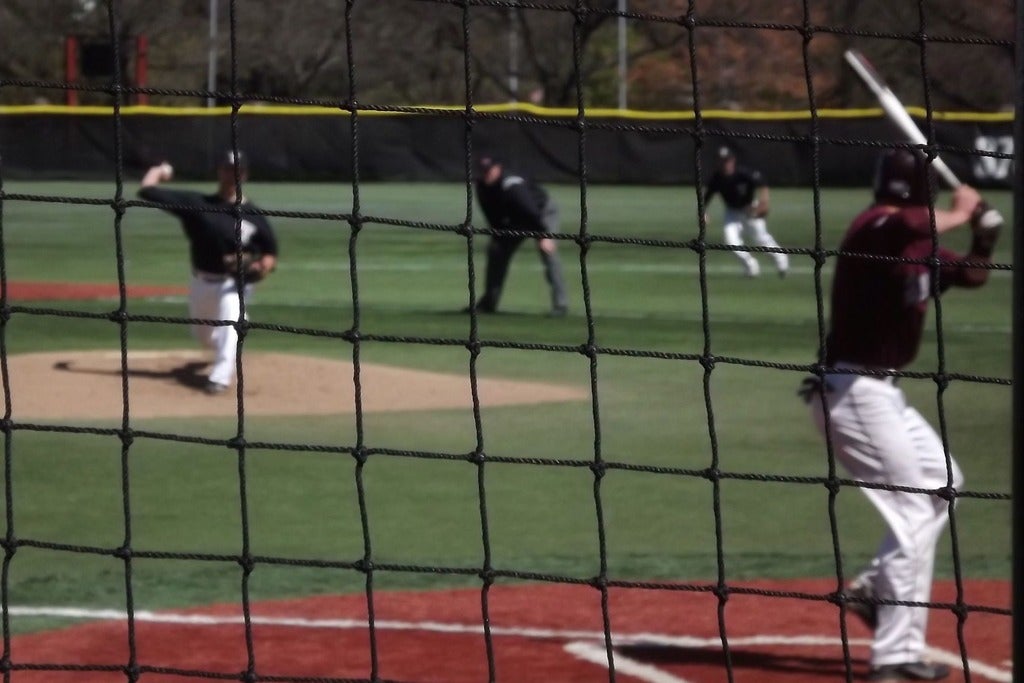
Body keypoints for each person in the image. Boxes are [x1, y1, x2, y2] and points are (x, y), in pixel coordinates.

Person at [802, 148, 1002, 681]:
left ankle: (873, 590)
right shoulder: (875, 229)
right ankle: (893, 657)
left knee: (944, 483)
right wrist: (963, 211)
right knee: (914, 512)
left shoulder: (917, 247)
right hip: (852, 393)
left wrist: (985, 235)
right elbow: (897, 223)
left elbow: (974, 276)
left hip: (880, 396)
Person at [138, 150, 279, 395]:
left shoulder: (255, 216)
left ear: (244, 174)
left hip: (235, 284)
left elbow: (270, 253)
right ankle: (233, 334)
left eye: (236, 170)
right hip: (201, 281)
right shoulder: (197, 205)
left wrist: (261, 267)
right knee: (204, 336)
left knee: (229, 320)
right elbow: (147, 191)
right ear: (219, 172)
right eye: (226, 169)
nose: (230, 175)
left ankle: (220, 377)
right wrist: (158, 171)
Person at [468, 155, 569, 316]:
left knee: (548, 252)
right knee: (496, 251)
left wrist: (544, 236)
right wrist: (497, 237)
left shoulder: (512, 185)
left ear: (498, 169)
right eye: (484, 171)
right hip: (516, 221)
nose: (487, 174)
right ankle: (489, 303)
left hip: (542, 214)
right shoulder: (482, 187)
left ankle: (561, 305)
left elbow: (530, 211)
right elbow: (492, 216)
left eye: (490, 170)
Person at [702, 146, 789, 278]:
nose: (724, 163)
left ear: (732, 160)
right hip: (732, 212)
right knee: (731, 242)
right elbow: (706, 198)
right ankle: (751, 266)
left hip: (750, 210)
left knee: (761, 240)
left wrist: (764, 202)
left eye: (726, 160)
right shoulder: (717, 178)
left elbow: (762, 183)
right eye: (721, 160)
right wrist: (703, 213)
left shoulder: (743, 173)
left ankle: (781, 260)